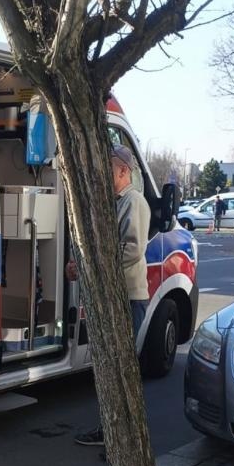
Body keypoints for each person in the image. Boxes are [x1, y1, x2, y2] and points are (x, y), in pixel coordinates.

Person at [73, 144, 152, 447]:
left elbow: (131, 249)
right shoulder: (114, 201)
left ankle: (122, 442)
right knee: (111, 370)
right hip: (116, 296)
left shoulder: (134, 202)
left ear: (122, 170)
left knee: (121, 371)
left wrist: (92, 265)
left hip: (129, 297)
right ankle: (109, 432)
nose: (100, 174)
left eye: (106, 167)